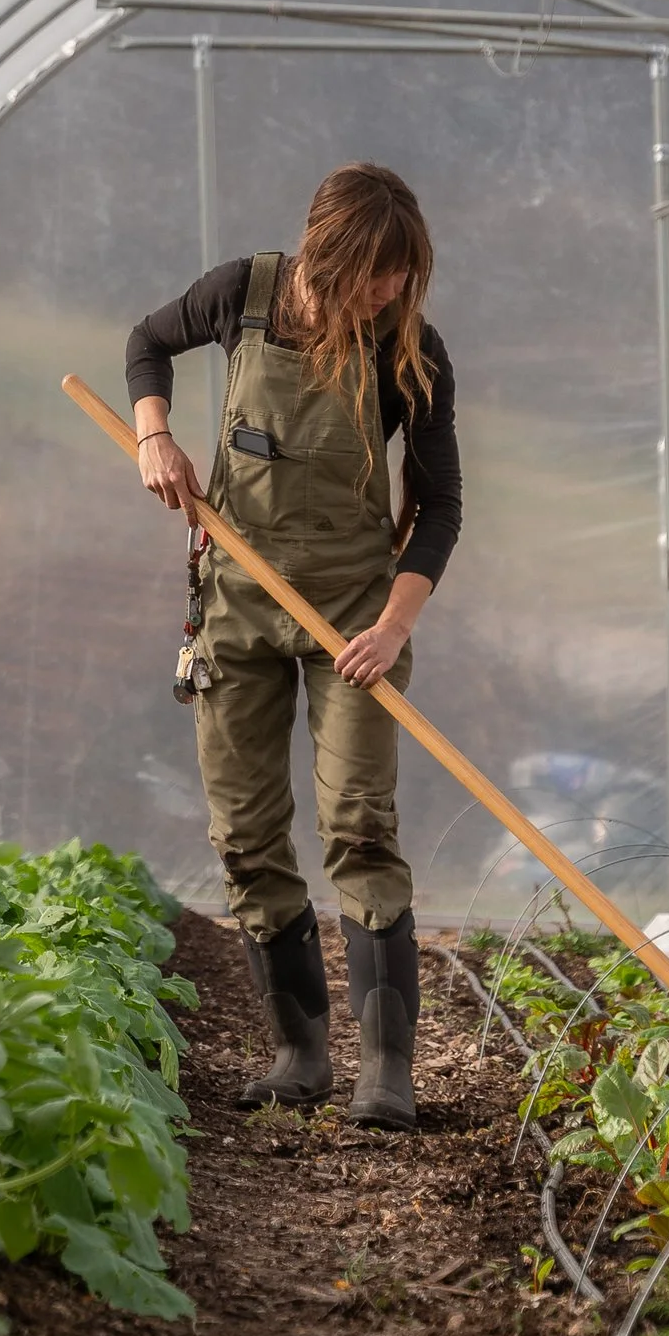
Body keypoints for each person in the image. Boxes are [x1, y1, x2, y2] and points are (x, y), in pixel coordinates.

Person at [126, 164, 461, 1131]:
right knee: (245, 834)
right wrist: (157, 437)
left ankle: (386, 1069)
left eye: (403, 277)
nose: (391, 293)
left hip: (356, 618)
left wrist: (394, 626)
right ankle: (300, 1054)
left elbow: (438, 505)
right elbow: (148, 343)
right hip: (236, 605)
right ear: (329, 256)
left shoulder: (411, 348)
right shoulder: (242, 294)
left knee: (359, 823)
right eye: (377, 275)